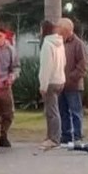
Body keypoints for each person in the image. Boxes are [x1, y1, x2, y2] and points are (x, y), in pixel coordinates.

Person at [57, 18, 88, 145]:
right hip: (60, 84)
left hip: (73, 85)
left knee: (75, 111)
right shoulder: (59, 43)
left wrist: (71, 77)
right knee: (62, 111)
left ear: (68, 31)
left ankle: (77, 135)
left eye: (61, 31)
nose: (59, 33)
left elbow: (83, 64)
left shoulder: (78, 44)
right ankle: (66, 135)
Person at [0, 26, 20, 148]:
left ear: (4, 36)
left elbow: (16, 67)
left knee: (8, 113)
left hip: (5, 85)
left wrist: (12, 77)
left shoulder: (11, 50)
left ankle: (4, 135)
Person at [37, 20, 65, 151]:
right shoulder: (60, 43)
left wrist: (43, 85)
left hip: (51, 82)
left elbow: (46, 67)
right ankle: (50, 136)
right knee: (51, 110)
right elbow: (64, 62)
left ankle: (54, 139)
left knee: (52, 111)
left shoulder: (47, 44)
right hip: (60, 79)